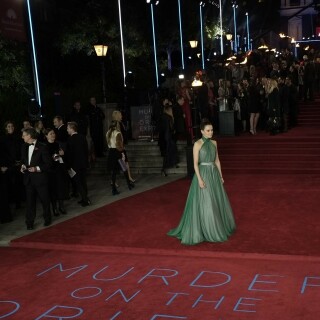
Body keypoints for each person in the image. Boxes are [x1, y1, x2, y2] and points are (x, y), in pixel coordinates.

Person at [168, 119, 236, 245]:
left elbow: (217, 161)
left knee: (215, 201)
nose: (211, 132)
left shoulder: (214, 143)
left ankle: (216, 226)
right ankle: (207, 230)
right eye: (208, 130)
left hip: (214, 175)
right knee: (206, 202)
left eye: (212, 130)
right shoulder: (197, 144)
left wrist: (221, 176)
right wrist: (199, 179)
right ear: (202, 131)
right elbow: (195, 164)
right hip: (203, 174)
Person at [20, 128, 52, 230]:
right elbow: (24, 161)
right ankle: (29, 222)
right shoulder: (24, 146)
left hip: (40, 179)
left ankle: (47, 218)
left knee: (45, 200)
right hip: (28, 179)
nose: (22, 137)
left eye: (24, 135)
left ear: (29, 136)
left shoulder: (43, 147)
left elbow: (48, 164)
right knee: (30, 203)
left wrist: (36, 168)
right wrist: (23, 166)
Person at [45, 128, 69, 215]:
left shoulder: (58, 144)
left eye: (53, 133)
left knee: (60, 189)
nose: (53, 135)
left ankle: (61, 206)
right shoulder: (45, 147)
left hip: (59, 170)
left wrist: (62, 154)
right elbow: (45, 161)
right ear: (46, 136)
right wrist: (53, 158)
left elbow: (62, 157)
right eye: (51, 134)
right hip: (51, 172)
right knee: (53, 190)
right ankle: (54, 208)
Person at [66, 122, 91, 207]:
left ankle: (85, 200)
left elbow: (70, 154)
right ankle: (84, 198)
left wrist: (68, 166)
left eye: (68, 128)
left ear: (72, 128)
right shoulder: (82, 137)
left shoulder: (70, 139)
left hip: (75, 165)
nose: (67, 130)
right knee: (83, 182)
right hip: (83, 164)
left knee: (78, 183)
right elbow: (86, 151)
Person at [106, 121, 134, 195]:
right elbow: (119, 145)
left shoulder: (108, 132)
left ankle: (113, 189)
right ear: (117, 125)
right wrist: (122, 153)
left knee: (113, 172)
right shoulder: (117, 133)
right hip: (117, 152)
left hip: (111, 153)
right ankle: (129, 185)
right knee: (124, 169)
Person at [112, 110, 135, 183]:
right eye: (120, 115)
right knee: (119, 165)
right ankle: (114, 182)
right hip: (118, 148)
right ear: (117, 116)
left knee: (125, 163)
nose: (122, 116)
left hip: (121, 146)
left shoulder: (120, 123)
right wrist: (121, 147)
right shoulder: (115, 125)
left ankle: (129, 177)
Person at [158, 103, 178, 176]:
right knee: (168, 154)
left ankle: (172, 164)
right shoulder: (169, 118)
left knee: (167, 155)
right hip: (168, 139)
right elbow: (170, 129)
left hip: (163, 139)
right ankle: (164, 169)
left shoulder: (162, 117)